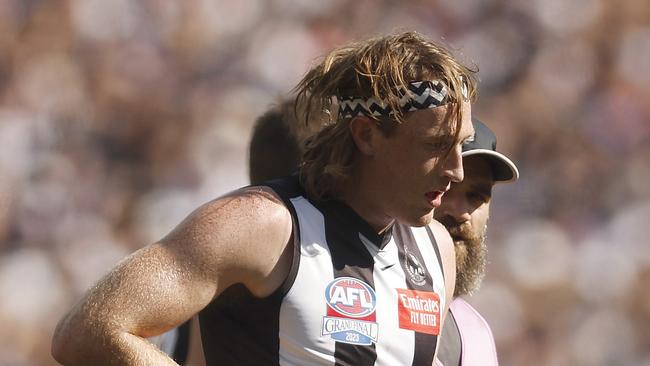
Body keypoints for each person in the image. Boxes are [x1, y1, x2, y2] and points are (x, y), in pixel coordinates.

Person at [51, 31, 478, 365]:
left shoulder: (433, 248)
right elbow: (91, 329)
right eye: (435, 145)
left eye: (463, 144)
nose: (457, 169)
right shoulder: (264, 225)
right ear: (367, 135)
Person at [435, 119, 519, 366]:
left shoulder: (475, 331)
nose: (461, 212)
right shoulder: (363, 299)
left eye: (476, 196)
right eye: (445, 189)